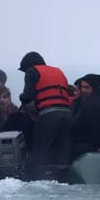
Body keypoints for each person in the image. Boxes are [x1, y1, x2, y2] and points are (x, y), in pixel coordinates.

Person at [17, 51, 72, 180]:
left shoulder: (32, 71)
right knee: (62, 153)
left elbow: (27, 96)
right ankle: (63, 179)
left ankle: (33, 179)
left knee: (40, 152)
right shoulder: (58, 71)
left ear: (28, 66)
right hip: (67, 114)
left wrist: (21, 97)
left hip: (49, 115)